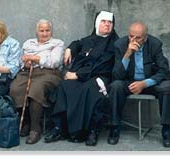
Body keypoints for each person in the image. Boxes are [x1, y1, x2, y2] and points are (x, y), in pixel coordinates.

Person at [44, 11, 119, 146]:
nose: (107, 25)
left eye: (110, 22)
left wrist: (77, 75)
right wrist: (69, 49)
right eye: (104, 21)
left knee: (90, 90)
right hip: (82, 74)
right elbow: (78, 43)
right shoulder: (90, 39)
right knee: (65, 87)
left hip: (99, 76)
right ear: (97, 23)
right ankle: (59, 127)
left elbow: (103, 65)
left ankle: (92, 131)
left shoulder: (113, 43)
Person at [107, 21, 170, 147]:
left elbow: (164, 70)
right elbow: (116, 75)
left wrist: (144, 83)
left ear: (145, 38)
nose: (133, 40)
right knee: (115, 86)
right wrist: (127, 54)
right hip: (129, 82)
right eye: (130, 36)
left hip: (149, 82)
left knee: (167, 86)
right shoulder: (120, 45)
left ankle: (166, 129)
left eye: (137, 37)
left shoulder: (154, 44)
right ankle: (114, 127)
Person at [9, 19, 64, 144]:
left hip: (49, 73)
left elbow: (54, 61)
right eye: (41, 30)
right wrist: (26, 63)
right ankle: (26, 122)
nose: (44, 33)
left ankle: (35, 128)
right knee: (15, 88)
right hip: (28, 72)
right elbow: (20, 60)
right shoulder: (29, 43)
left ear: (51, 31)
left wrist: (35, 58)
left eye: (47, 30)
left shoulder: (57, 43)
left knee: (35, 89)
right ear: (37, 32)